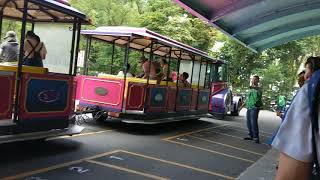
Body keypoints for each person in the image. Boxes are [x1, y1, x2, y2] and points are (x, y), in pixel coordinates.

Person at [272, 57, 320, 180]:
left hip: (297, 153)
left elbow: (296, 134)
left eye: (307, 71)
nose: (305, 76)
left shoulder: (310, 89)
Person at [242, 75, 263, 144]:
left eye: (254, 79)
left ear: (257, 81)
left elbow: (257, 90)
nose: (252, 80)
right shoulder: (251, 89)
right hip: (249, 106)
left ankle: (256, 137)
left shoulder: (259, 88)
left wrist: (254, 87)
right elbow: (248, 98)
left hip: (255, 107)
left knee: (253, 122)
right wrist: (242, 106)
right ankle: (251, 135)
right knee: (249, 122)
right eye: (252, 79)